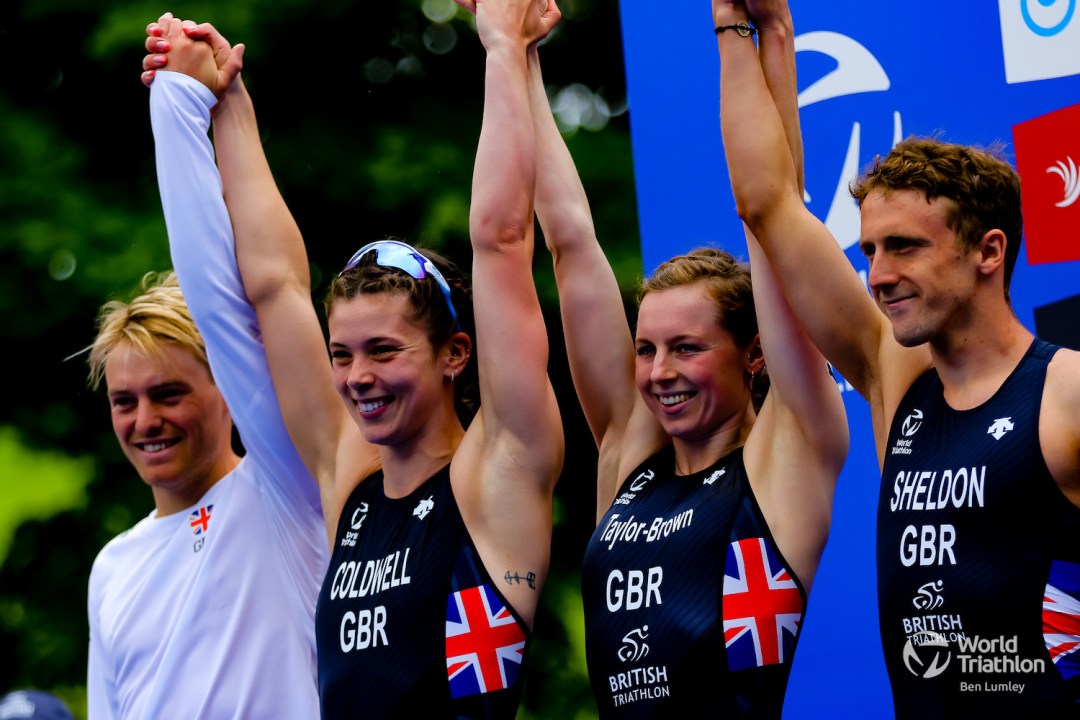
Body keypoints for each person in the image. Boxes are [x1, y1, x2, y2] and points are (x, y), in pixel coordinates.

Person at [141, 0, 564, 716]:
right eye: (342, 354)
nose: (357, 378)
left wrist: (502, 46)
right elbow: (274, 286)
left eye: (383, 351)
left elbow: (502, 239)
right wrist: (230, 102)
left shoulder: (501, 473)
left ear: (455, 353)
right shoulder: (350, 481)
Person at [718, 0, 1080, 715]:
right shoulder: (896, 377)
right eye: (871, 249)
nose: (877, 274)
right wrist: (746, 27)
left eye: (905, 247)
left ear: (988, 251)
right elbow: (767, 205)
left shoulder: (1064, 389)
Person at [511, 0, 847, 713]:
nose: (659, 373)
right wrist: (517, 56)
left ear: (753, 354)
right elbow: (569, 243)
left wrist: (756, 35)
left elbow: (775, 213)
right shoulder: (630, 453)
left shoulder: (787, 456)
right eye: (646, 349)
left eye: (687, 349)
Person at [85, 269, 325, 718]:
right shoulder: (111, 568)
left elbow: (273, 283)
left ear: (227, 392)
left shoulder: (280, 492)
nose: (145, 420)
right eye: (124, 401)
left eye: (168, 394)